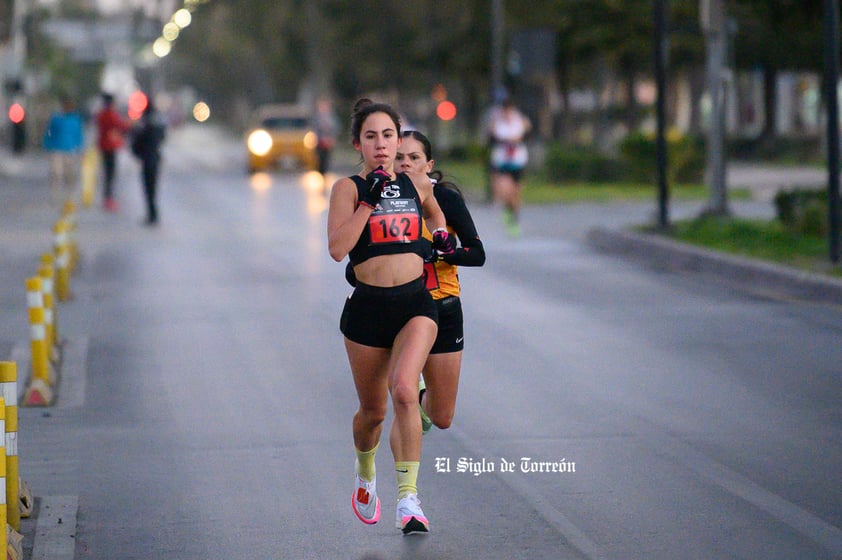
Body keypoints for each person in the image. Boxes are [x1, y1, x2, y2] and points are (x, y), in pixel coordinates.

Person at [327, 98, 454, 535]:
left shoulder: (415, 184)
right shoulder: (348, 189)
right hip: (367, 310)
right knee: (372, 413)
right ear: (358, 144)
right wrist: (369, 202)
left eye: (388, 136)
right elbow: (337, 248)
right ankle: (365, 475)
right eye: (371, 137)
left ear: (399, 140)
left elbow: (436, 213)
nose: (381, 145)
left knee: (404, 390)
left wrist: (439, 234)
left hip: (416, 304)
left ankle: (409, 500)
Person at [394, 130, 485, 435]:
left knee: (442, 418)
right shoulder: (381, 200)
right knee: (398, 396)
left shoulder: (446, 198)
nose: (406, 164)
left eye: (414, 158)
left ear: (428, 164)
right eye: (399, 157)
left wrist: (447, 253)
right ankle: (407, 388)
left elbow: (478, 254)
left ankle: (419, 393)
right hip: (400, 307)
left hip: (443, 306)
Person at [488, 97, 531, 237]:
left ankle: (514, 219)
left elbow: (523, 132)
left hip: (518, 161)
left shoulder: (519, 121)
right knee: (505, 190)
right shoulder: (498, 123)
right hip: (502, 162)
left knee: (516, 194)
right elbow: (495, 135)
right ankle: (508, 211)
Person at [42, 95, 85, 206]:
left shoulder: (75, 120)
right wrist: (47, 145)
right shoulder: (56, 119)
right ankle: (55, 195)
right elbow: (49, 132)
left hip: (70, 150)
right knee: (56, 173)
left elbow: (79, 135)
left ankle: (69, 196)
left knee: (69, 174)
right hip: (56, 150)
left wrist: (80, 149)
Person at [130, 102, 166, 225]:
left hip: (147, 160)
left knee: (148, 189)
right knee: (153, 188)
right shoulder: (158, 123)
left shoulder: (144, 125)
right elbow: (163, 138)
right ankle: (153, 213)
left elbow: (136, 143)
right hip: (154, 159)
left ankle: (152, 214)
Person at [95, 93, 131, 212]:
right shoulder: (111, 114)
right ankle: (108, 198)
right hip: (110, 146)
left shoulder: (101, 114)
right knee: (110, 174)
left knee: (107, 173)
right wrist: (130, 124)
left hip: (103, 146)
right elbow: (120, 126)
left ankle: (107, 197)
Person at [312, 96, 339, 176]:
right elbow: (314, 128)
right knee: (320, 157)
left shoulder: (331, 117)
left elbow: (335, 127)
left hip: (328, 141)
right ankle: (320, 170)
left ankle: (324, 171)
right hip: (319, 141)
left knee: (326, 157)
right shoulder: (316, 117)